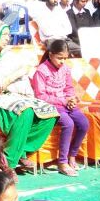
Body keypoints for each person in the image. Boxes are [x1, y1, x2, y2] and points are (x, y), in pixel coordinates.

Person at [0, 21, 57, 171]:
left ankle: (20, 149)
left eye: (8, 35)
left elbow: (23, 79)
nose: (7, 38)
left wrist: (24, 91)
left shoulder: (9, 56)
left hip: (15, 96)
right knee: (25, 111)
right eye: (3, 35)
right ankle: (8, 162)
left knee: (50, 112)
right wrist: (14, 76)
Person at [32, 38, 89, 175]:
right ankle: (62, 162)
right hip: (50, 106)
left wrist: (72, 99)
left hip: (66, 104)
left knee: (84, 123)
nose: (62, 61)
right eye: (59, 58)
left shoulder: (65, 69)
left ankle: (72, 155)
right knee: (68, 123)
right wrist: (63, 101)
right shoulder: (41, 71)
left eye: (65, 58)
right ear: (51, 54)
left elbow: (69, 88)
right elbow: (41, 96)